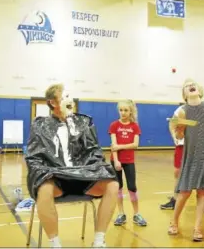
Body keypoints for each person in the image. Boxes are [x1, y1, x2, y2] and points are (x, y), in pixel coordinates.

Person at [25, 83, 119, 248]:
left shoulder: (83, 122)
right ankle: (55, 243)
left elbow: (94, 151)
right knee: (44, 188)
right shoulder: (40, 125)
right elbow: (34, 157)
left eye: (70, 96)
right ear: (53, 102)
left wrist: (92, 168)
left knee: (112, 184)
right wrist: (46, 172)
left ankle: (99, 241)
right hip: (56, 179)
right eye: (64, 96)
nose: (69, 99)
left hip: (84, 178)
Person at [167, 79, 204, 241]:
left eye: (192, 84)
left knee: (202, 192)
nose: (190, 86)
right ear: (184, 94)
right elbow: (178, 134)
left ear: (200, 90)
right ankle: (174, 222)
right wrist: (178, 130)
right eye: (186, 86)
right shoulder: (182, 112)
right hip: (191, 153)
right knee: (185, 191)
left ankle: (197, 228)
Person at [160, 102, 204, 213]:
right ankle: (175, 199)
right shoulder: (180, 110)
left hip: (198, 145)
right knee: (178, 172)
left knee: (201, 173)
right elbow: (172, 123)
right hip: (183, 145)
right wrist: (174, 137)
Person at [108, 99, 147, 227]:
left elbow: (135, 145)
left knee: (132, 187)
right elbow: (113, 146)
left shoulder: (135, 126)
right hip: (116, 161)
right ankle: (121, 214)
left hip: (129, 161)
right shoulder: (114, 125)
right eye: (121, 110)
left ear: (130, 111)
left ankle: (136, 214)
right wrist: (117, 160)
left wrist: (119, 147)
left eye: (126, 110)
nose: (123, 113)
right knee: (118, 188)